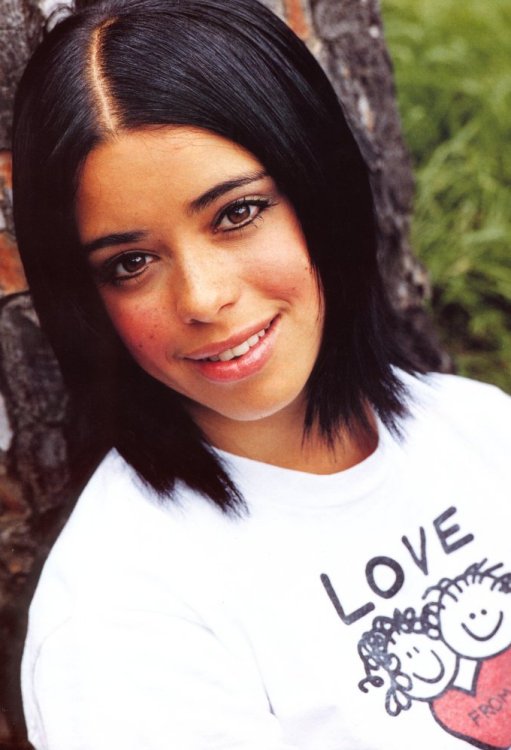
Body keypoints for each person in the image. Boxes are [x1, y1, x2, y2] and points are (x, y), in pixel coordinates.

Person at [12, 0, 511, 748]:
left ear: (319, 188)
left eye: (237, 214)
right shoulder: (122, 619)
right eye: (131, 263)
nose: (202, 298)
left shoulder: (480, 428)